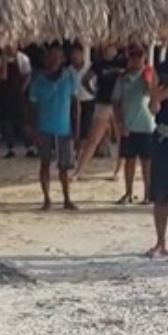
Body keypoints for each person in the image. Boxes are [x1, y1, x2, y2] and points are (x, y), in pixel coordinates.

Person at [28, 44, 79, 211]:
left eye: (56, 57)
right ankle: (47, 198)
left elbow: (75, 105)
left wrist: (76, 129)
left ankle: (67, 198)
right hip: (44, 128)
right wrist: (33, 130)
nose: (52, 61)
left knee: (65, 167)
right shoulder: (38, 81)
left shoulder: (70, 77)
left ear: (62, 59)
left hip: (64, 128)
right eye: (49, 57)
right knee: (45, 164)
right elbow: (31, 108)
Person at [111, 44, 156, 205]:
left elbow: (152, 94)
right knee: (129, 161)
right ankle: (128, 193)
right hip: (129, 125)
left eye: (139, 55)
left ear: (144, 57)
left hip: (147, 125)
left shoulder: (150, 74)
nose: (136, 59)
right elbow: (115, 103)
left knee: (147, 163)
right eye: (133, 55)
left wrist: (148, 79)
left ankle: (148, 194)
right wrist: (120, 123)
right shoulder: (123, 78)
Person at [75, 44, 126, 180]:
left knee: (122, 139)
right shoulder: (98, 63)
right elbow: (86, 79)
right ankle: (79, 170)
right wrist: (93, 92)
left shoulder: (123, 60)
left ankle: (118, 170)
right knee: (93, 138)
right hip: (103, 102)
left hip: (119, 103)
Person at [144, 64, 168, 257]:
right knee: (160, 195)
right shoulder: (160, 71)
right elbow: (152, 109)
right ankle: (160, 242)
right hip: (163, 139)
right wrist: (157, 99)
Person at [0, 46, 36, 159]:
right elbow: (2, 77)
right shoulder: (0, 60)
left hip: (19, 92)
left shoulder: (23, 58)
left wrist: (23, 88)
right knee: (7, 121)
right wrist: (4, 62)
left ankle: (30, 147)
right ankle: (10, 148)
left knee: (24, 121)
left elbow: (28, 75)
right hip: (5, 93)